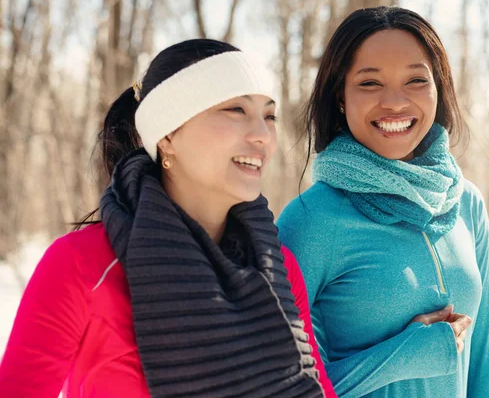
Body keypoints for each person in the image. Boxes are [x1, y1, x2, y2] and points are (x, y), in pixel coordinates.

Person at [0, 39, 336, 398]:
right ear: (168, 136)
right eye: (235, 110)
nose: (263, 135)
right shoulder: (81, 265)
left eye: (269, 115)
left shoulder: (276, 267)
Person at [277, 6, 489, 398]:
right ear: (340, 97)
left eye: (416, 79)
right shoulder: (309, 222)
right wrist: (404, 355)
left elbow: (481, 365)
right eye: (370, 83)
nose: (395, 102)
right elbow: (284, 385)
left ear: (438, 89)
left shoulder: (467, 205)